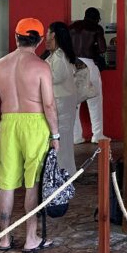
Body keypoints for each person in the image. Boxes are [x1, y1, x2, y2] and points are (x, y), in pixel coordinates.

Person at [0, 18, 59, 253]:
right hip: (35, 123)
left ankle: (5, 238)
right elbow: (49, 104)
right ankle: (31, 237)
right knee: (33, 183)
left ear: (16, 37)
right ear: (39, 40)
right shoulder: (41, 66)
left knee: (6, 184)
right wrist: (56, 134)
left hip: (8, 122)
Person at [43, 22, 80, 172]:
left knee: (61, 139)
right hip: (63, 101)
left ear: (53, 35)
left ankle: (63, 171)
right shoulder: (57, 55)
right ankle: (63, 170)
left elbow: (56, 77)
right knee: (62, 138)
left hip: (60, 102)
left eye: (47, 32)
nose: (45, 36)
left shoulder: (59, 57)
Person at [69, 7, 107, 144]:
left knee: (74, 104)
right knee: (95, 101)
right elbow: (103, 48)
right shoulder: (96, 28)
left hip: (72, 65)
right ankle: (97, 135)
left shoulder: (72, 27)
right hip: (89, 64)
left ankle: (76, 136)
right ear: (96, 18)